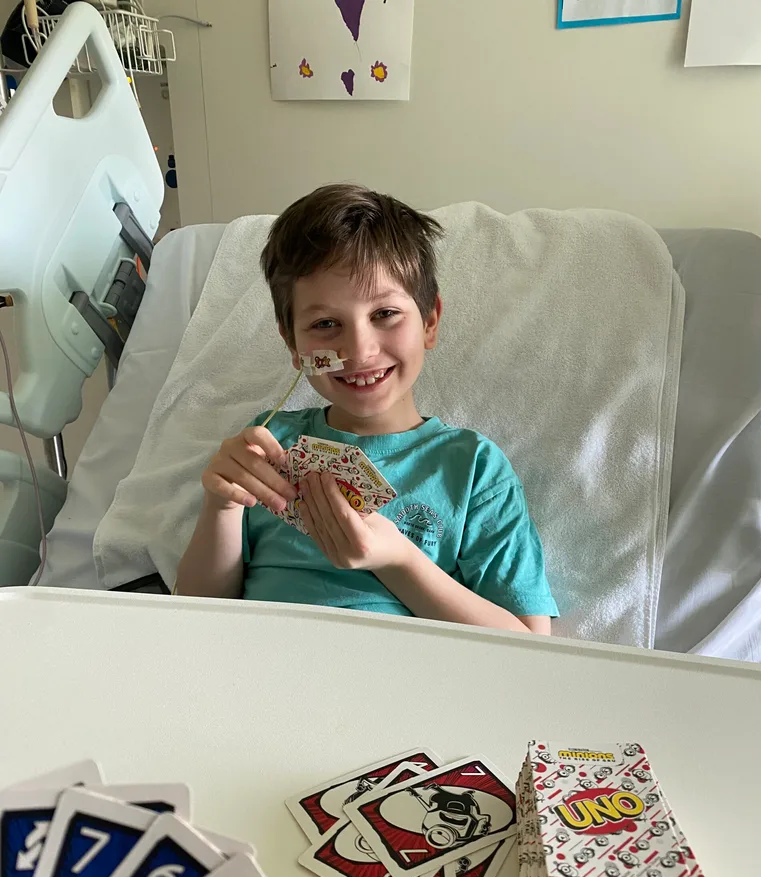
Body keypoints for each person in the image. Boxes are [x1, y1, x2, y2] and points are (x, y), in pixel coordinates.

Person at [176, 184, 558, 632]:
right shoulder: (269, 447)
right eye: (325, 324)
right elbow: (196, 615)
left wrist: (398, 561)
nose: (358, 350)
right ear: (293, 345)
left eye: (385, 314)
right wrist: (222, 506)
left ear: (430, 322)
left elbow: (531, 641)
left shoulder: (472, 469)